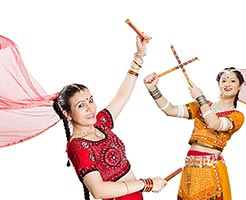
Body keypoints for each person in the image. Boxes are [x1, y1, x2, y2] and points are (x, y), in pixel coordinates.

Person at [52, 35, 167, 200]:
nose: (90, 108)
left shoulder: (100, 124)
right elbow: (98, 191)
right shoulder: (78, 146)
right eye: (80, 105)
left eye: (90, 100)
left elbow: (122, 97)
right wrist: (147, 183)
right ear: (67, 113)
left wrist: (139, 56)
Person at [143, 67, 245, 200]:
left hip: (211, 169)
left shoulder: (236, 116)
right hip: (190, 166)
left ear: (240, 86)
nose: (227, 84)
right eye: (224, 80)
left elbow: (215, 123)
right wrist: (153, 89)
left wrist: (200, 98)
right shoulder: (202, 106)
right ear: (219, 84)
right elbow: (171, 110)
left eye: (232, 81)